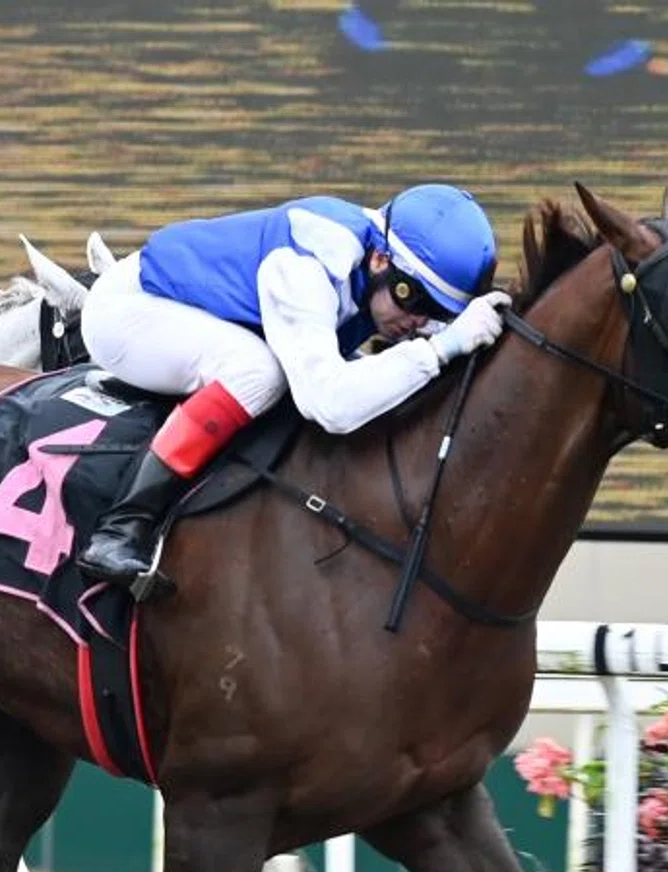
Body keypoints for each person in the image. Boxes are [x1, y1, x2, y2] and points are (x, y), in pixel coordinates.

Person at [73, 184, 509, 586]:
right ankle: (121, 528)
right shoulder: (305, 267)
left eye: (439, 313)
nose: (419, 323)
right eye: (413, 298)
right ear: (381, 261)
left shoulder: (372, 258)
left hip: (201, 314)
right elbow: (330, 405)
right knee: (259, 372)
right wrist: (440, 349)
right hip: (127, 313)